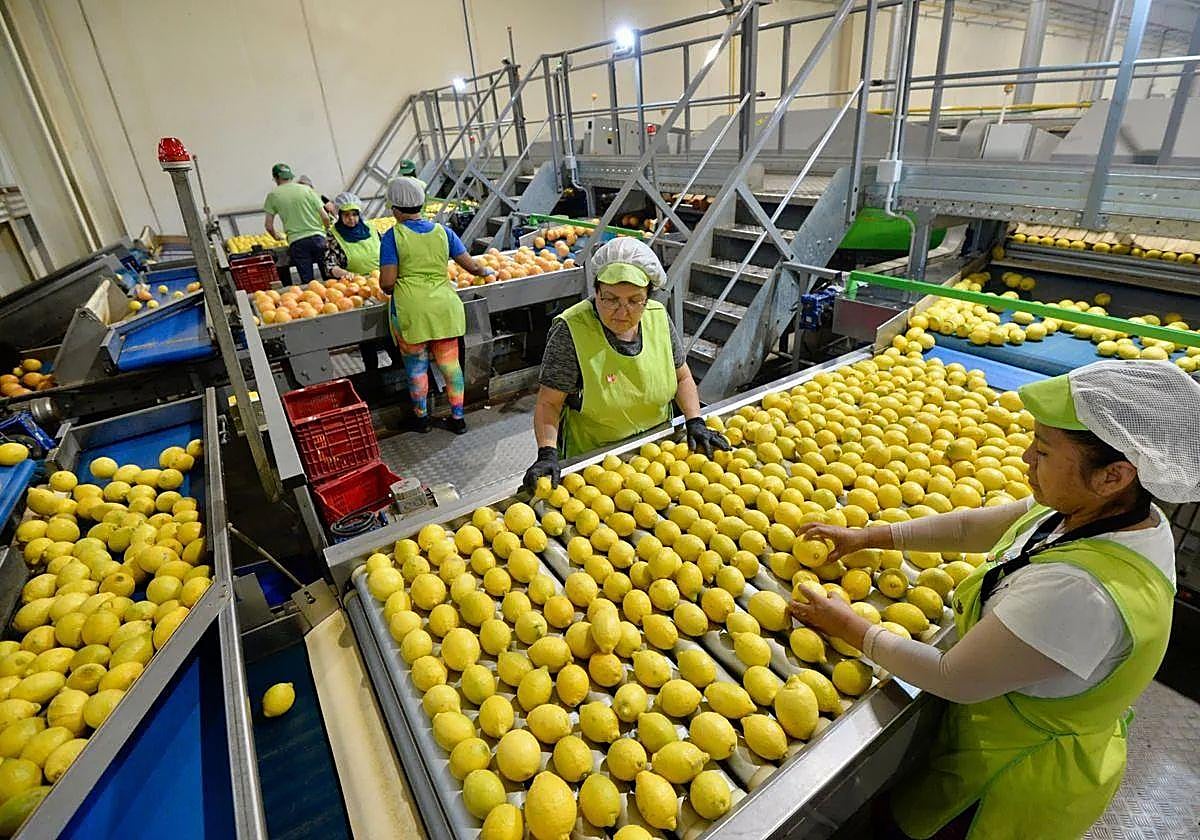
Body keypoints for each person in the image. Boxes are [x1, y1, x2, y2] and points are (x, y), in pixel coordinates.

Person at [788, 359, 1200, 840]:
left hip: (1010, 782)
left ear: (1114, 476)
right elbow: (969, 527)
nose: (1025, 458)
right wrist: (867, 536)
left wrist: (848, 626)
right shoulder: (1103, 514)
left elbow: (953, 677)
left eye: (1043, 452)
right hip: (998, 727)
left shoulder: (1082, 592)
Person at [522, 238, 729, 489]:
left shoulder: (658, 317)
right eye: (610, 299)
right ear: (596, 291)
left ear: (648, 297)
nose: (622, 312)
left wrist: (695, 420)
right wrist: (547, 453)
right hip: (595, 464)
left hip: (659, 452)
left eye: (634, 300)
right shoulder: (571, 330)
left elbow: (682, 377)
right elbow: (549, 403)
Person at [379, 176, 494, 434]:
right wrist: (488, 270)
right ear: (421, 204)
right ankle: (458, 418)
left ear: (395, 209)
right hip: (445, 308)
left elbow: (387, 283)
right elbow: (472, 265)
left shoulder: (392, 236)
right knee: (451, 365)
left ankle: (421, 419)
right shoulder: (444, 232)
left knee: (417, 368)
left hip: (412, 312)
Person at [264, 163, 330, 283]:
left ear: (275, 178)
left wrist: (276, 236)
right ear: (291, 176)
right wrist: (325, 231)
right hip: (318, 237)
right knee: (329, 275)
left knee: (309, 282)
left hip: (297, 242)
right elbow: (325, 217)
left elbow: (268, 226)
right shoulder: (307, 190)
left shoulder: (273, 196)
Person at [325, 192, 381, 279]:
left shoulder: (371, 229)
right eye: (346, 215)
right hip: (355, 284)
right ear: (340, 216)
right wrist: (344, 274)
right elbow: (330, 265)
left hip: (381, 278)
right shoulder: (334, 235)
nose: (351, 218)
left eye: (354, 214)